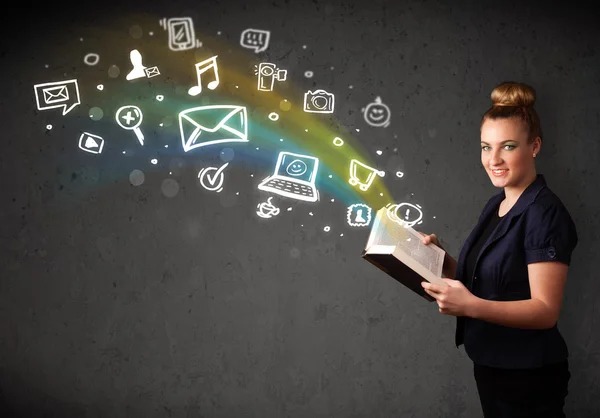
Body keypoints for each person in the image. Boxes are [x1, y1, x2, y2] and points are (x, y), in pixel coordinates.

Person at [418, 81, 578, 418]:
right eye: (485, 147)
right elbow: (486, 277)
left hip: (528, 375)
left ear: (534, 146)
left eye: (507, 146)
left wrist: (472, 306)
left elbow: (545, 311)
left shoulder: (545, 213)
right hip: (491, 365)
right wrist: (436, 258)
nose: (494, 160)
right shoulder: (496, 204)